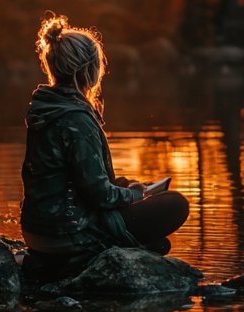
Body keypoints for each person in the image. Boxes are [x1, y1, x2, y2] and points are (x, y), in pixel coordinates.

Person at [19, 15, 189, 283]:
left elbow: (75, 179)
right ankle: (82, 258)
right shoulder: (76, 119)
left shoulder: (45, 109)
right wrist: (134, 195)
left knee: (158, 244)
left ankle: (123, 249)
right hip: (69, 234)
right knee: (176, 204)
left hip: (36, 232)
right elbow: (99, 195)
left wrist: (125, 185)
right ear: (87, 71)